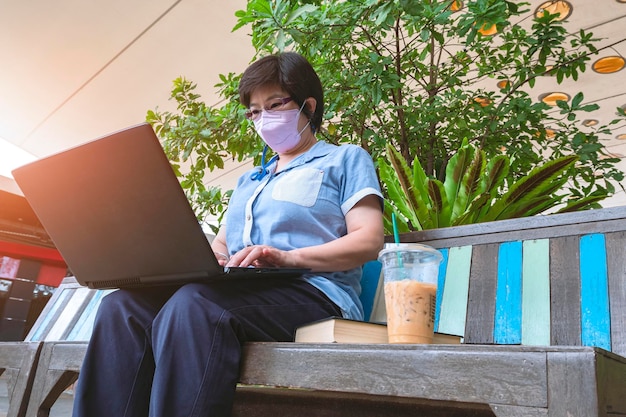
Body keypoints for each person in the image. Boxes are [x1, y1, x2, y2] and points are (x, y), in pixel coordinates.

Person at [71, 51, 384, 417]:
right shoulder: (249, 180)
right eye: (254, 111)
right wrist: (190, 256)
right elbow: (222, 245)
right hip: (243, 291)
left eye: (275, 104)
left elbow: (368, 239)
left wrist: (287, 258)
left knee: (196, 304)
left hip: (315, 295)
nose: (262, 118)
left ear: (308, 106)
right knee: (122, 306)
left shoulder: (344, 159)